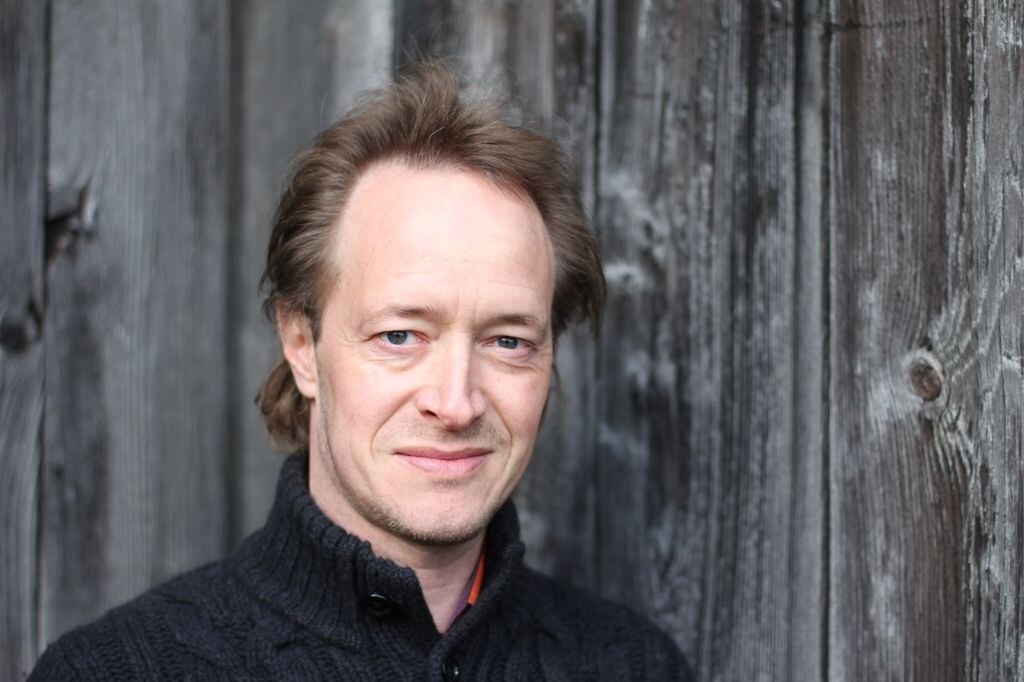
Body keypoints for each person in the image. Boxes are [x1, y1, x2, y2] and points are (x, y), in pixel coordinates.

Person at [30, 60, 692, 681]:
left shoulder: (634, 666)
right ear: (300, 344)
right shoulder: (117, 671)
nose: (456, 402)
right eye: (400, 335)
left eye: (508, 341)